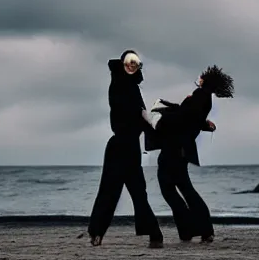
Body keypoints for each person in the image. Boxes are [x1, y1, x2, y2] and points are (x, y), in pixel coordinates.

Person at [144, 65, 234, 243]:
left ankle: (195, 229)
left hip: (175, 148)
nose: (199, 77)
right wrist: (204, 124)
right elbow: (192, 118)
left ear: (206, 80)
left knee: (169, 188)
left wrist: (160, 115)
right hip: (181, 149)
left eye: (202, 76)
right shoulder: (205, 98)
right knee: (184, 189)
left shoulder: (200, 95)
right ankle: (196, 230)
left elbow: (183, 117)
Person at [87, 50, 164, 248]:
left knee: (138, 192)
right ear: (123, 64)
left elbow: (141, 115)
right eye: (129, 62)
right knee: (109, 191)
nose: (132, 65)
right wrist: (142, 116)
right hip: (119, 146)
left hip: (130, 147)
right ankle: (97, 233)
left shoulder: (133, 86)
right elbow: (126, 110)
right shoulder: (119, 83)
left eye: (136, 62)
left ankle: (155, 235)